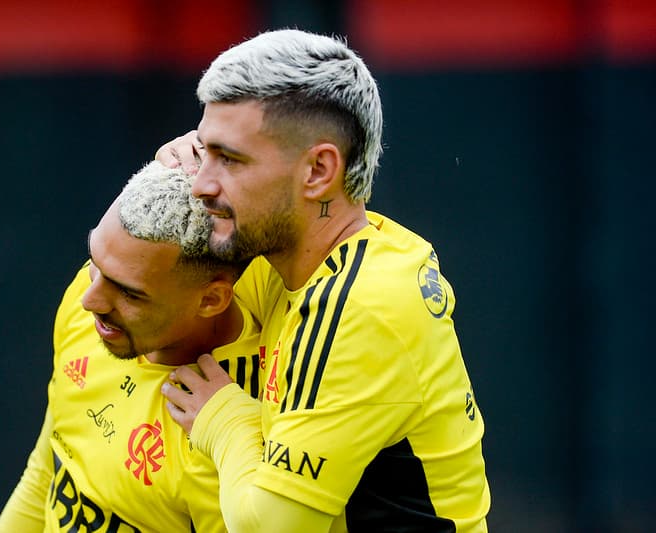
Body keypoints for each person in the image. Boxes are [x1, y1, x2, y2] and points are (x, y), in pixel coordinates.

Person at [159, 29, 491, 532]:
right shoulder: (289, 256)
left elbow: (267, 526)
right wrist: (165, 184)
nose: (203, 184)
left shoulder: (362, 307)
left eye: (230, 159)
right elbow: (160, 309)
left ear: (318, 170)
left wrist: (223, 417)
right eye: (204, 153)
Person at [0, 161, 263, 532]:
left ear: (211, 300)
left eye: (129, 293)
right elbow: (47, 471)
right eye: (95, 262)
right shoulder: (87, 306)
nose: (90, 300)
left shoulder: (239, 429)